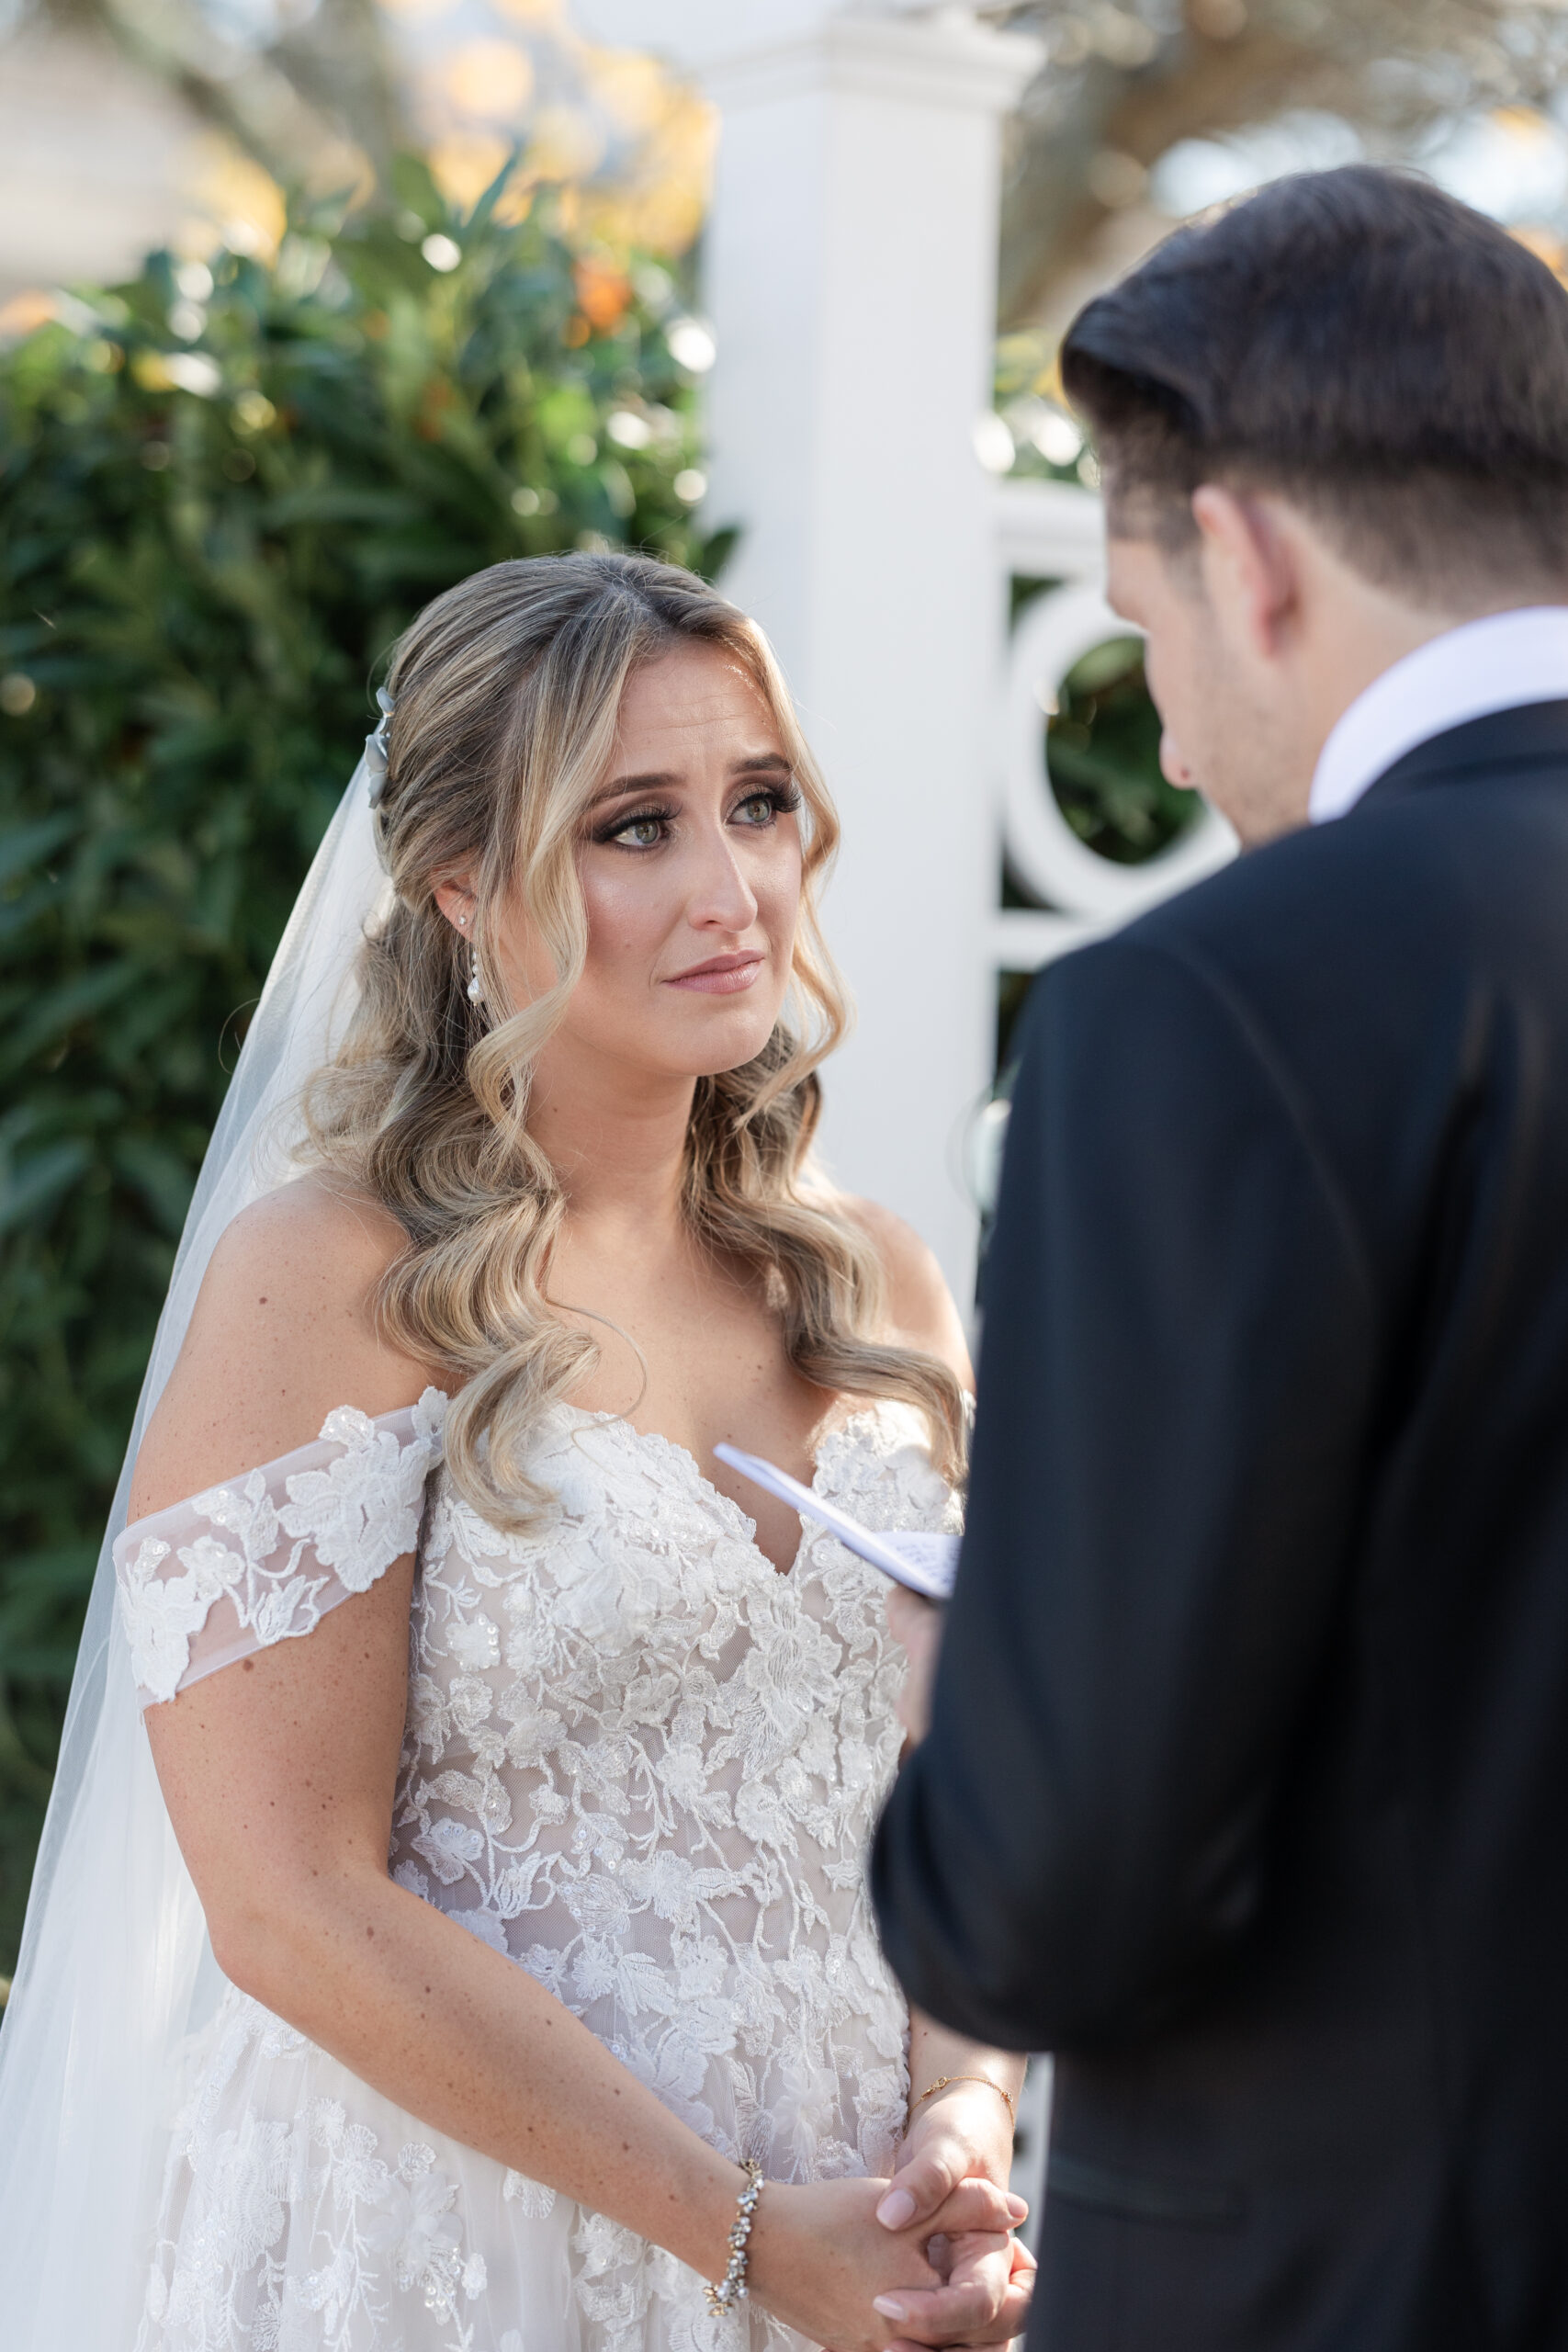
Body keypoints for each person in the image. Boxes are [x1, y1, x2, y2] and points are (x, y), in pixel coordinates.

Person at [0, 552, 1036, 2351]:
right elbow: (284, 1897)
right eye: (635, 826)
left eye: (760, 802)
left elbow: (969, 1799)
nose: (734, 889)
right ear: (460, 881)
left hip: (854, 2230)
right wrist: (733, 2233)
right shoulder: (334, 1279)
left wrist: (961, 2114)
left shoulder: (873, 1281)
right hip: (451, 2243)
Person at [871, 164, 1568, 2352]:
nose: (1167, 737)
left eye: (1140, 628)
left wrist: (955, 1710)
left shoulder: (1210, 1006)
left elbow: (1046, 1906)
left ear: (1245, 561)